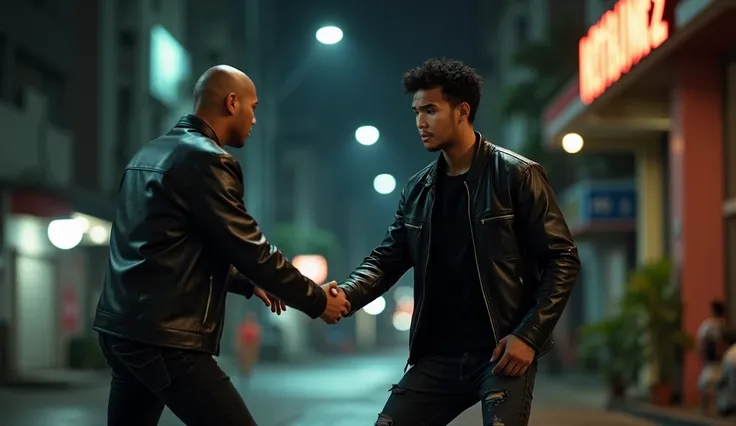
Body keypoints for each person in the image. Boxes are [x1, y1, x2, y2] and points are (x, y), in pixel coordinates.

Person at [93, 65, 350, 426]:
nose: (255, 119)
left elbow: (169, 250)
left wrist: (248, 282)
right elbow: (251, 248)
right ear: (232, 103)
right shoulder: (207, 160)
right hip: (166, 340)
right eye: (253, 107)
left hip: (122, 330)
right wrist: (317, 300)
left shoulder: (146, 155)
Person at [334, 58, 581, 426]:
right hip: (438, 356)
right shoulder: (418, 190)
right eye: (416, 112)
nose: (420, 122)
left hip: (501, 351)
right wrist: (345, 295)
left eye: (431, 110)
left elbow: (563, 258)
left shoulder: (517, 175)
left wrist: (528, 336)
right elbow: (387, 260)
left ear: (463, 111)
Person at [697, 300, 727, 415]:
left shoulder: (710, 325)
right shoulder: (721, 324)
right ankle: (710, 408)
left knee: (708, 383)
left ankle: (708, 408)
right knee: (712, 383)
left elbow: (702, 342)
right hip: (717, 358)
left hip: (713, 358)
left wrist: (703, 354)